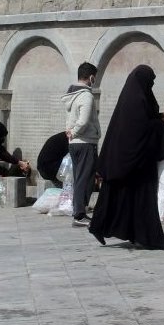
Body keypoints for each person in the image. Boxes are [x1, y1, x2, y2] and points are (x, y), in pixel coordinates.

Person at [89, 65, 164, 250]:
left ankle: (104, 227)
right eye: (150, 81)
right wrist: (163, 123)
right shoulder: (137, 100)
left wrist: (160, 118)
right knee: (139, 199)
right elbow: (141, 130)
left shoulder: (133, 98)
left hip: (125, 161)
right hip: (137, 163)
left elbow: (144, 121)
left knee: (119, 198)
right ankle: (146, 237)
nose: (151, 85)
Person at [62, 62, 100, 228]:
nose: (94, 81)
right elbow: (83, 120)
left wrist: (71, 133)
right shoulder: (86, 95)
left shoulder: (72, 94)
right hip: (85, 142)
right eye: (94, 78)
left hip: (75, 144)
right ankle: (79, 214)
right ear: (91, 77)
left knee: (81, 178)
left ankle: (79, 211)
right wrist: (75, 131)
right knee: (85, 179)